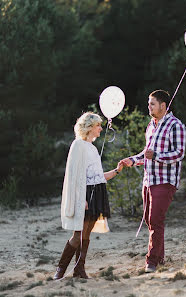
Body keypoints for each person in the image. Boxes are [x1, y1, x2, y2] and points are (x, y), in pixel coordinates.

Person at [121, 90, 186, 273]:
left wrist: (156, 156)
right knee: (151, 221)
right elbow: (146, 153)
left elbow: (179, 153)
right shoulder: (151, 125)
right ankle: (161, 258)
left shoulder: (176, 125)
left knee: (156, 219)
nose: (148, 107)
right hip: (148, 180)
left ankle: (152, 261)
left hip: (165, 181)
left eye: (152, 104)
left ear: (163, 105)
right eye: (148, 103)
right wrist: (133, 160)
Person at [54, 112, 124, 280]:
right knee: (78, 235)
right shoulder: (78, 145)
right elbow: (74, 175)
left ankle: (79, 270)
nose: (101, 128)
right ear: (90, 127)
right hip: (84, 194)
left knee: (86, 234)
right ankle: (60, 271)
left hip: (97, 193)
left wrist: (117, 170)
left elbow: (99, 176)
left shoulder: (92, 147)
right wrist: (81, 199)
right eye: (98, 125)